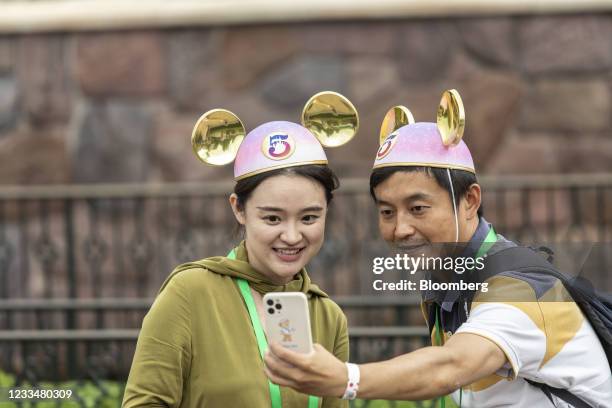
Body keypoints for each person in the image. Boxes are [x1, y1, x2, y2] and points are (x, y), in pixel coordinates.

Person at [264, 90, 612, 407]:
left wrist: (347, 378)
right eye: (387, 212)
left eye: (418, 209)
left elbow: (451, 366)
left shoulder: (520, 288)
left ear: (470, 201)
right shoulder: (448, 280)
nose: (400, 229)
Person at [123, 92, 359, 407]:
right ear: (239, 210)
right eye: (272, 217)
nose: (291, 235)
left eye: (309, 217)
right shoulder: (190, 293)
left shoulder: (328, 316)